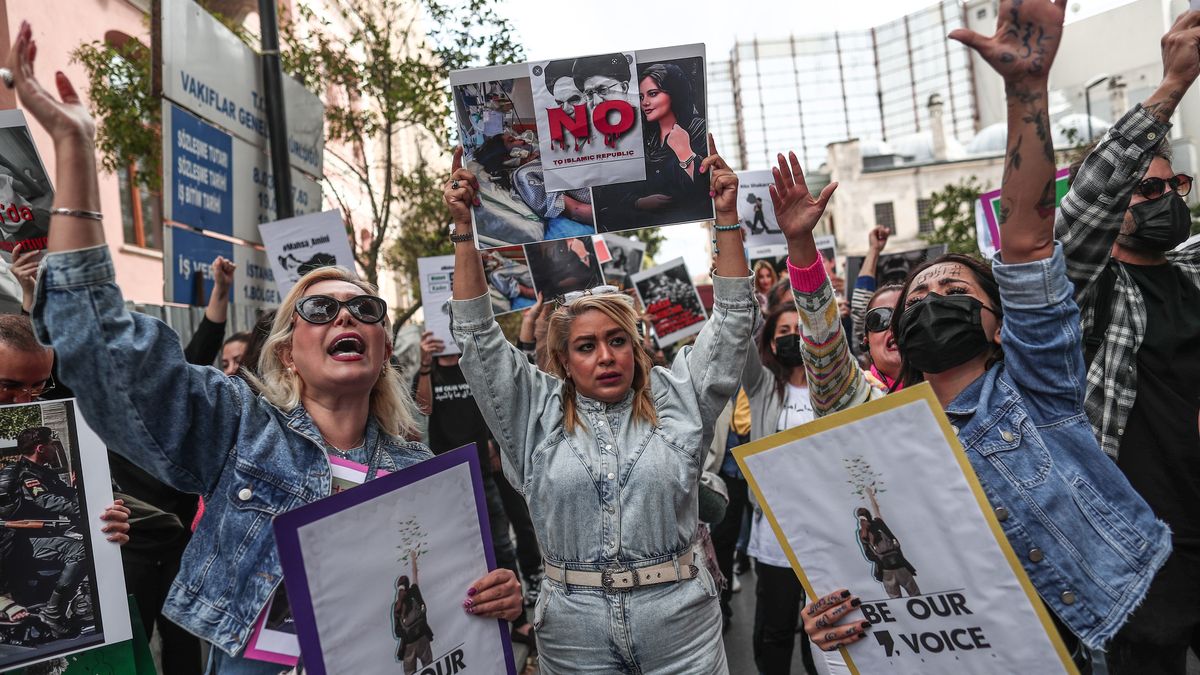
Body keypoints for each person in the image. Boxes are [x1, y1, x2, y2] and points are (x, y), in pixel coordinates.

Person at [3, 21, 521, 673]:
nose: (346, 315)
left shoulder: (418, 469)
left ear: (384, 345)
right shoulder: (239, 426)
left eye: (365, 309)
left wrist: (495, 594)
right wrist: (75, 150)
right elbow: (108, 353)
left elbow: (446, 607)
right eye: (320, 308)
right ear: (285, 352)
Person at [793, 0, 1170, 665]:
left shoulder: (1038, 390)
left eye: (955, 292)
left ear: (1001, 324)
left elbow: (1027, 242)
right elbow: (826, 362)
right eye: (918, 300)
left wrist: (1026, 93)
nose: (933, 302)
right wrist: (833, 614)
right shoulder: (876, 430)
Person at [444, 132, 755, 672]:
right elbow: (476, 337)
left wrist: (724, 218)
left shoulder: (677, 397)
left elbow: (730, 323)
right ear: (564, 361)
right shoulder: (534, 413)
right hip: (573, 637)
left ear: (635, 348)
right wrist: (464, 232)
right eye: (586, 347)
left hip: (682, 630)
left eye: (617, 341)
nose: (606, 356)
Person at [1055, 14, 1200, 674]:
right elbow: (1081, 212)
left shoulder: (1192, 272)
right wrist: (1170, 88)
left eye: (1174, 186)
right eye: (1147, 189)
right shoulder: (1094, 291)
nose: (1167, 198)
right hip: (1146, 548)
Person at [413, 329, 536, 646]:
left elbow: (492, 407)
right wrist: (425, 365)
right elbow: (422, 411)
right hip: (445, 481)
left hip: (481, 472)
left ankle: (518, 620)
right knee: (457, 552)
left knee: (501, 545)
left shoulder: (471, 366)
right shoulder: (428, 372)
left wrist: (492, 442)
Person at [739, 304, 822, 675]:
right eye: (782, 332)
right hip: (776, 534)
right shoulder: (762, 387)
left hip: (825, 531)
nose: (791, 337)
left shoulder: (835, 387)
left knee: (822, 629)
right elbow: (741, 337)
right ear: (771, 344)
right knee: (775, 628)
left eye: (798, 329)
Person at [593, 61, 711, 230]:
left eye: (653, 94)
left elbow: (704, 191)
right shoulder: (644, 138)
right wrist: (639, 202)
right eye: (641, 97)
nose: (645, 102)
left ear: (674, 92)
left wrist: (684, 153)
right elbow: (615, 193)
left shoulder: (697, 129)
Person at [849, 226, 904, 388]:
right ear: (866, 342)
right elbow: (861, 308)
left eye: (904, 315)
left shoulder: (945, 385)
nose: (894, 324)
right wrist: (874, 250)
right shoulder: (855, 393)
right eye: (880, 319)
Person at [393, 550, 434, 674]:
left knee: (410, 672)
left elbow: (397, 631)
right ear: (407, 584)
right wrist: (413, 558)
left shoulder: (397, 606)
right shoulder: (414, 590)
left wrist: (407, 633)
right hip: (422, 637)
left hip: (408, 644)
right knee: (430, 666)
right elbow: (415, 574)